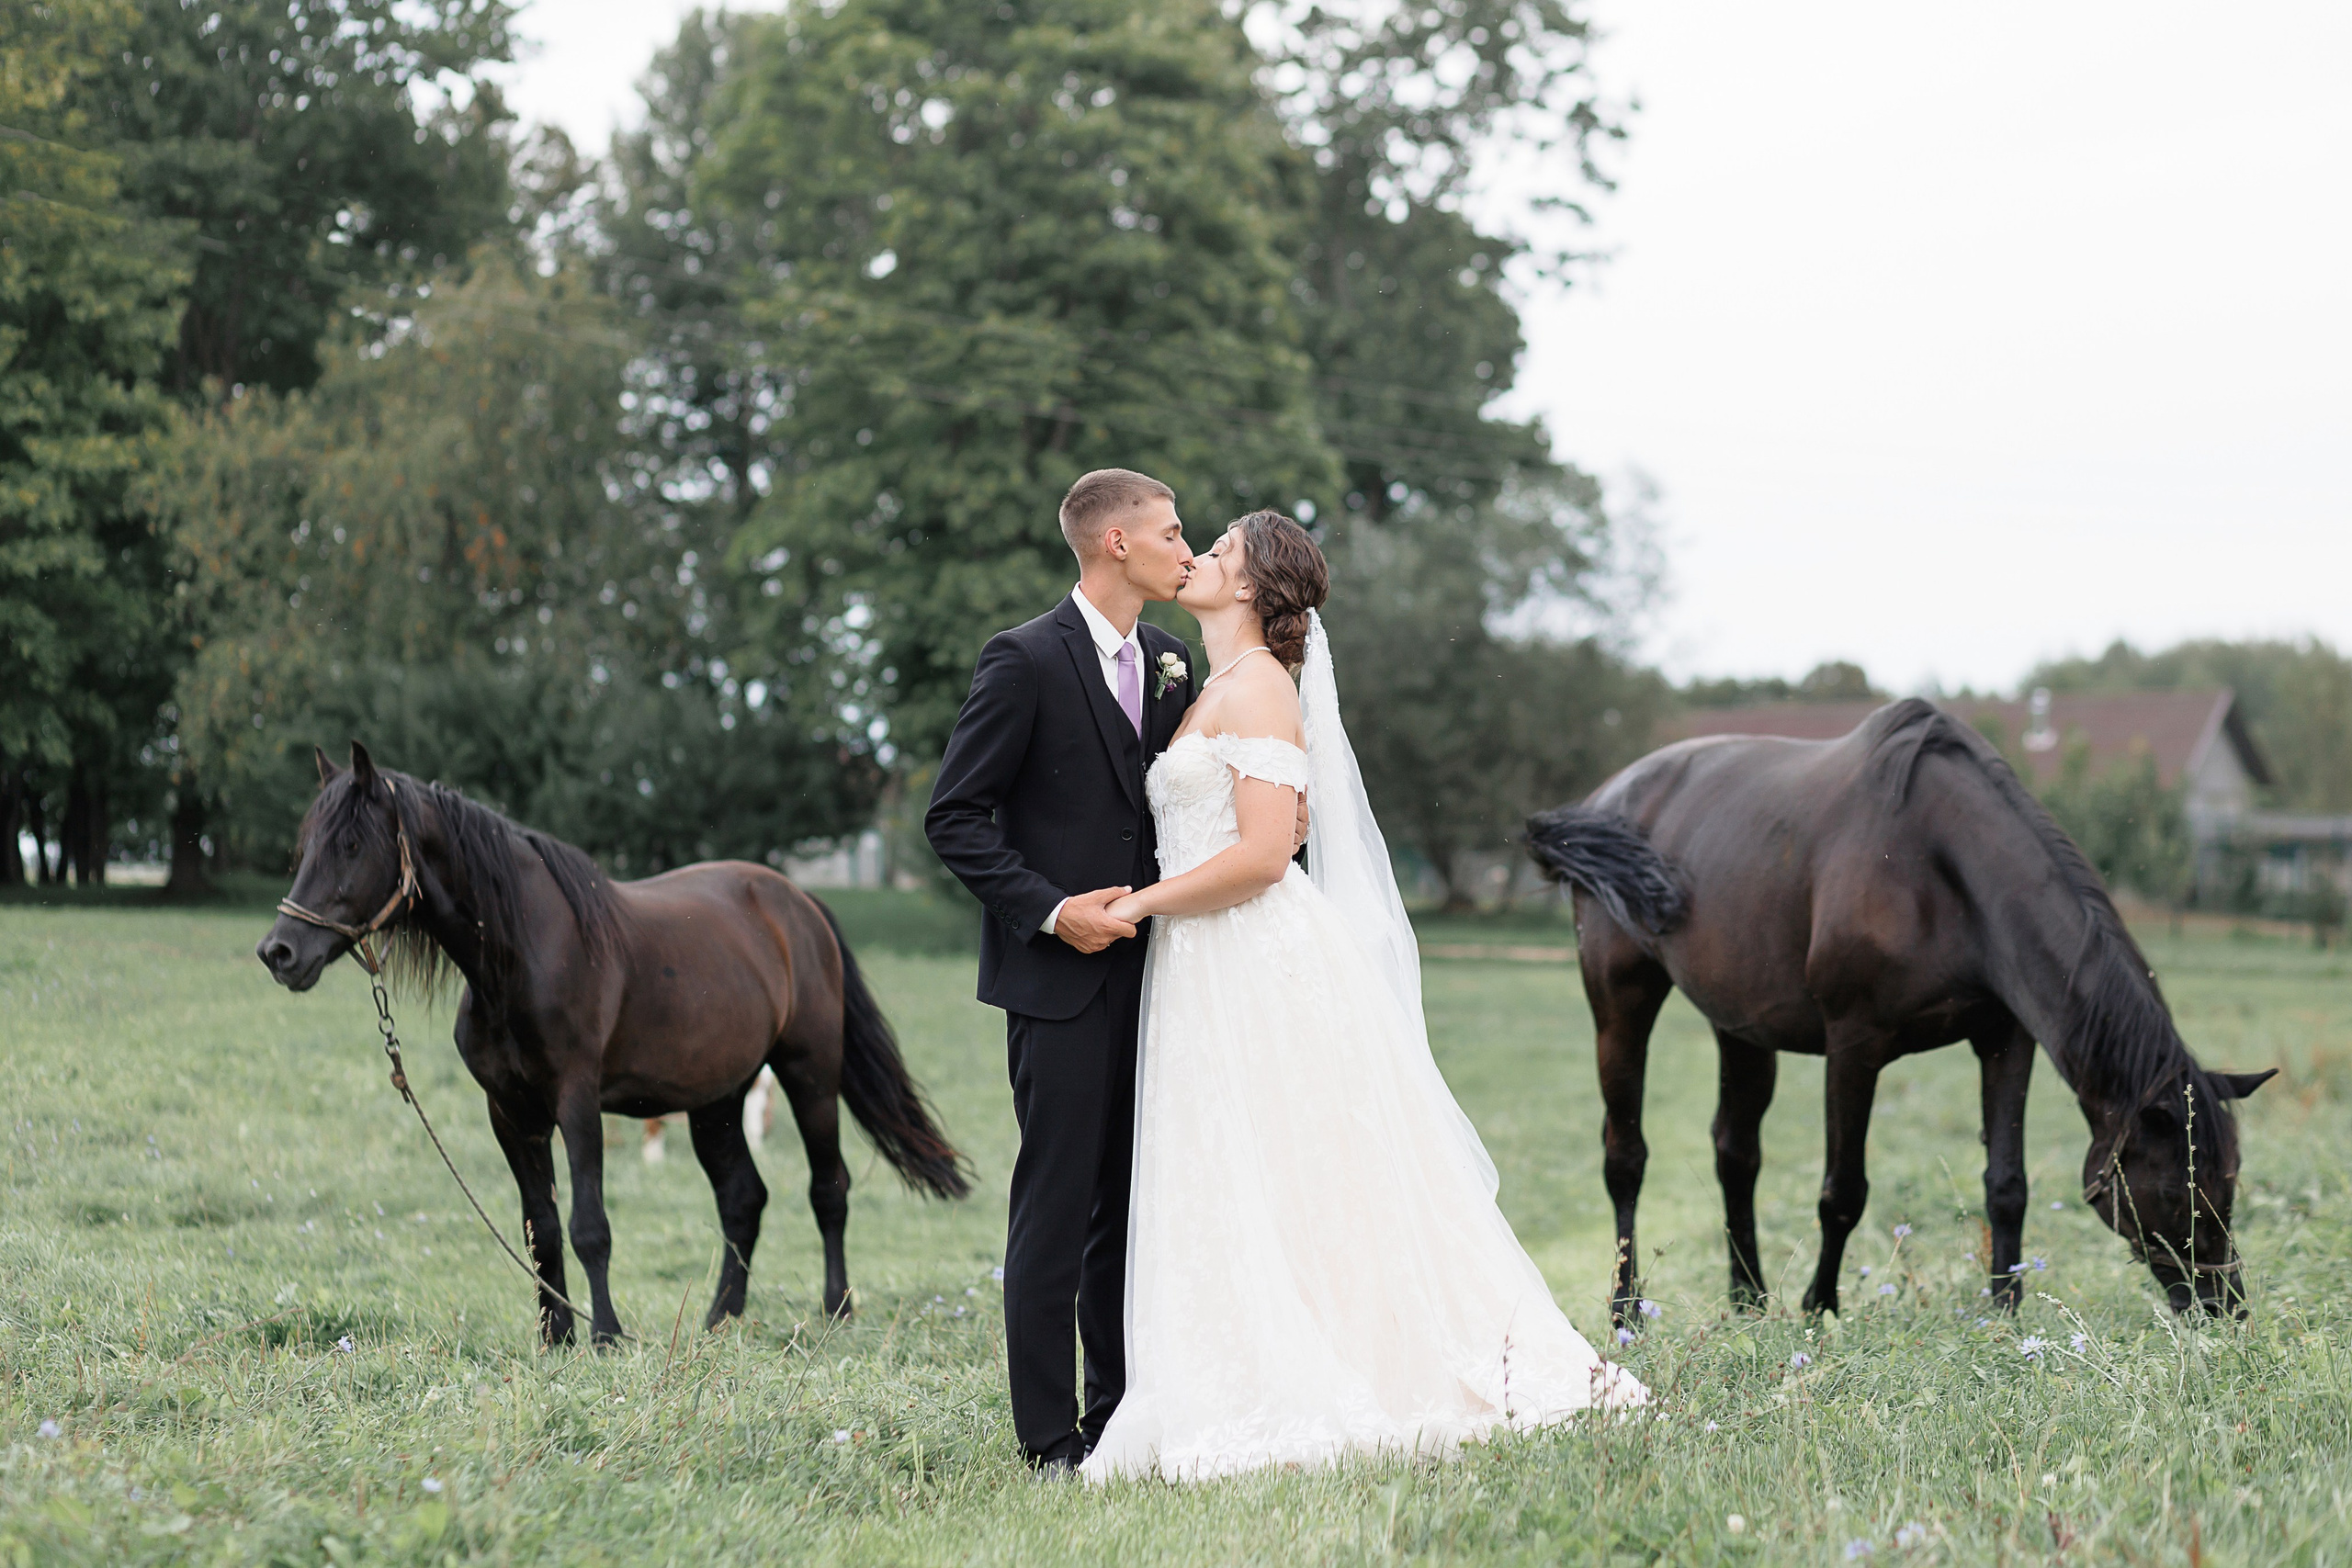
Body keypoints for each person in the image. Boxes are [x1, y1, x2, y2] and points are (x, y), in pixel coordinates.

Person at [1078, 509, 1645, 1483]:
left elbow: (1259, 857)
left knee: (1291, 1163)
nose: (1197, 558)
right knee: (1246, 1166)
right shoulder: (1217, 682)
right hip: (1207, 959)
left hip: (1248, 954)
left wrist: (1139, 904)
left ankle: (1353, 1362)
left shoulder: (1257, 689)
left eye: (1215, 551)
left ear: (1252, 587)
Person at [926, 469, 1303, 1472]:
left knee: (1133, 1209)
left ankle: (1117, 1417)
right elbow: (953, 817)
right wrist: (1051, 912)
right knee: (1055, 1208)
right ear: (1116, 546)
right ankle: (1047, 1441)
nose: (1190, 551)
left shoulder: (1177, 661)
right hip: (1057, 983)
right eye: (1175, 534)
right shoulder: (1021, 661)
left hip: (1170, 981)